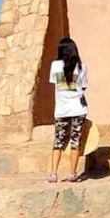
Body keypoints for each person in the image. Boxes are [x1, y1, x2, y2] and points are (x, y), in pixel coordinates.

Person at [47, 37, 88, 183]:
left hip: (62, 109)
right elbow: (83, 87)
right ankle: (72, 173)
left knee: (58, 141)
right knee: (75, 141)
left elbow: (54, 84)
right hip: (78, 108)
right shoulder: (82, 66)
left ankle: (53, 174)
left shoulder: (55, 66)